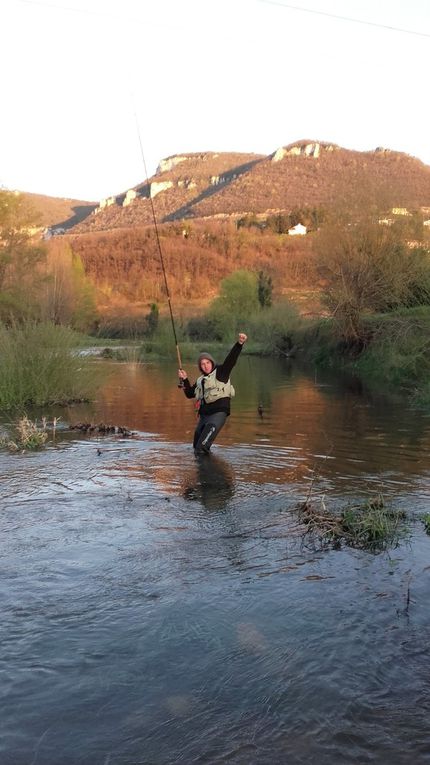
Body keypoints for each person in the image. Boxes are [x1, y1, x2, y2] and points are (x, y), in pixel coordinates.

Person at [178, 332, 248, 454]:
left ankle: (211, 473)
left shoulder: (221, 372)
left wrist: (239, 344)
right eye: (202, 364)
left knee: (201, 448)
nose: (205, 366)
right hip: (204, 417)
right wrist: (185, 379)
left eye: (207, 363)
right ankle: (204, 471)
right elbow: (190, 393)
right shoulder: (200, 380)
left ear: (212, 362)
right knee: (196, 448)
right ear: (200, 367)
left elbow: (231, 359)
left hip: (217, 415)